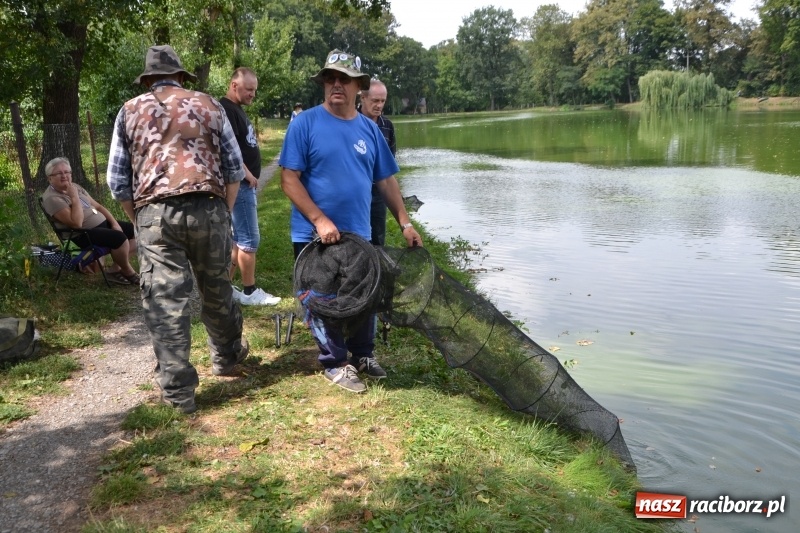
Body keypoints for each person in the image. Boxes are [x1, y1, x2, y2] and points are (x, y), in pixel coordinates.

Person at [107, 45, 249, 415]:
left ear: (148, 79)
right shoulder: (211, 105)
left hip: (154, 212)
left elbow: (117, 181)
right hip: (210, 206)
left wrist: (139, 217)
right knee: (217, 289)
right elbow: (234, 169)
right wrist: (224, 212)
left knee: (166, 302)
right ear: (181, 77)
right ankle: (227, 356)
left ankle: (179, 394)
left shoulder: (129, 111)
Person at [279, 49, 423, 393]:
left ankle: (362, 355)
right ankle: (334, 362)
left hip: (357, 233)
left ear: (360, 86)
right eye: (330, 78)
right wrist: (319, 220)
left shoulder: (369, 130)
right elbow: (289, 179)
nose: (336, 84)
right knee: (324, 297)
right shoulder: (305, 124)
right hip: (315, 235)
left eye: (344, 78)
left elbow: (386, 180)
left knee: (364, 294)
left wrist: (405, 222)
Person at [220, 67, 281, 306]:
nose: (253, 94)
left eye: (254, 90)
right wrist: (246, 174)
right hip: (240, 184)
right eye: (249, 89)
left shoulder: (237, 109)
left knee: (238, 239)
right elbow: (229, 148)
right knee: (248, 238)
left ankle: (224, 287)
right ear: (234, 86)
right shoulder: (226, 109)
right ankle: (249, 291)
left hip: (245, 183)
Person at [42, 157, 139, 285]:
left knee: (138, 232)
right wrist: (74, 197)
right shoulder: (51, 198)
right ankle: (128, 271)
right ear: (50, 178)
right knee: (119, 238)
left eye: (67, 172)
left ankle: (115, 269)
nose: (64, 176)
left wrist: (114, 223)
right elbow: (76, 224)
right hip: (82, 235)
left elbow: (98, 206)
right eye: (59, 173)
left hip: (101, 225)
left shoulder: (75, 186)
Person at [359, 79, 396, 246]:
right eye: (375, 100)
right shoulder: (350, 122)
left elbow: (389, 163)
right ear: (363, 98)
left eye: (382, 101)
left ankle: (377, 270)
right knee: (356, 237)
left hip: (379, 192)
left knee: (378, 235)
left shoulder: (387, 125)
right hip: (357, 190)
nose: (379, 105)